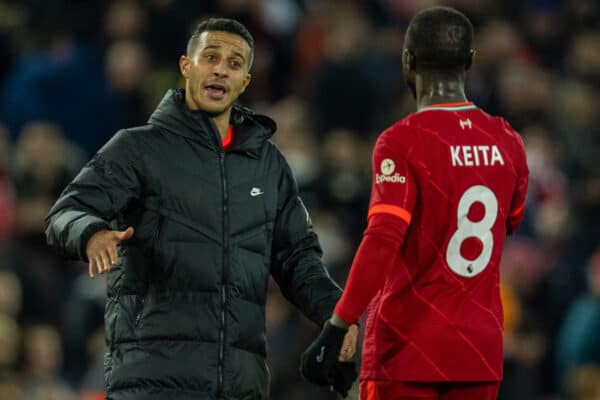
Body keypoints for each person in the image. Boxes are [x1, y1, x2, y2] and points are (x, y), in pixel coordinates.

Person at [44, 17, 357, 400]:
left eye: (235, 63)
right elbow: (66, 212)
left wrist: (336, 314)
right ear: (186, 66)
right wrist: (90, 233)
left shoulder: (268, 165)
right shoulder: (138, 148)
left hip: (239, 386)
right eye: (211, 57)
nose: (221, 69)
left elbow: (298, 258)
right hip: (153, 381)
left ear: (245, 82)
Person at [301, 6, 529, 400]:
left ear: (408, 60)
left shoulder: (403, 141)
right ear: (471, 61)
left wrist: (340, 323)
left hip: (408, 347)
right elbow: (511, 221)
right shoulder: (507, 140)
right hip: (479, 349)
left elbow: (383, 239)